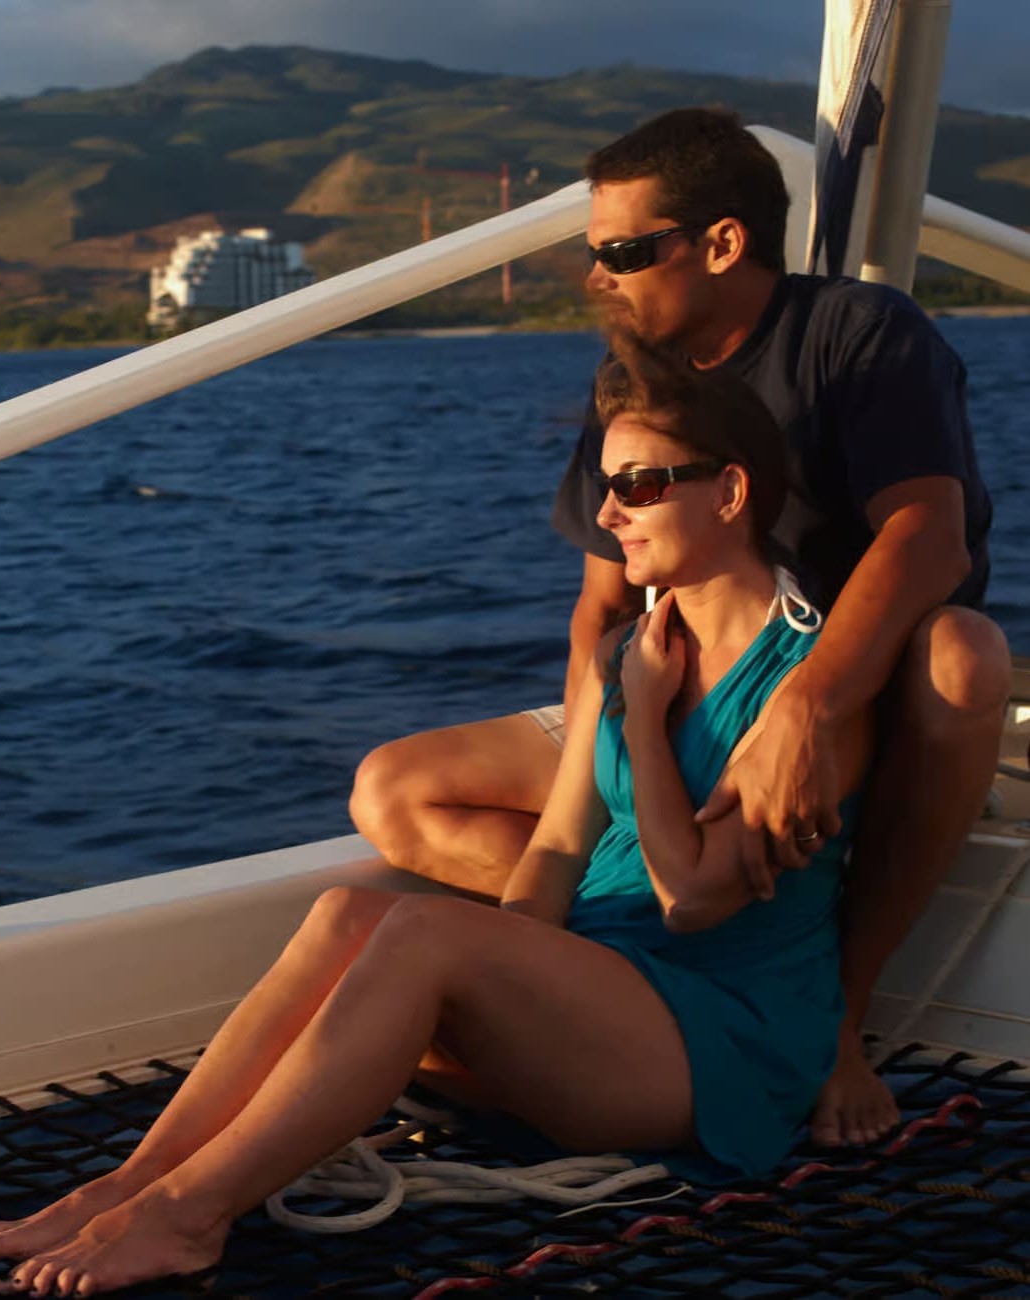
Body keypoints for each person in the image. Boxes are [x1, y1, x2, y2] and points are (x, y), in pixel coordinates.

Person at [0, 347, 873, 1297]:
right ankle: (135, 1181)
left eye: (637, 486)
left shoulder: (809, 694)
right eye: (604, 487)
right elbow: (559, 844)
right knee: (346, 916)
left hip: (717, 1045)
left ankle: (187, 1217)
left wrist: (643, 723)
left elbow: (691, 898)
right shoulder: (632, 649)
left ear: (729, 492)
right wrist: (513, 977)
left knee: (426, 934)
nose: (607, 515)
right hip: (603, 996)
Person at [348, 107, 1010, 1149]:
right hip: (684, 699)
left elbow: (927, 538)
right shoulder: (636, 382)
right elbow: (603, 605)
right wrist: (607, 759)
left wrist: (804, 707)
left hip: (840, 695)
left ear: (721, 243)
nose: (595, 277)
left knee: (964, 658)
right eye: (592, 253)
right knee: (392, 791)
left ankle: (835, 1013)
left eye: (621, 252)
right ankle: (620, 969)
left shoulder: (858, 335)